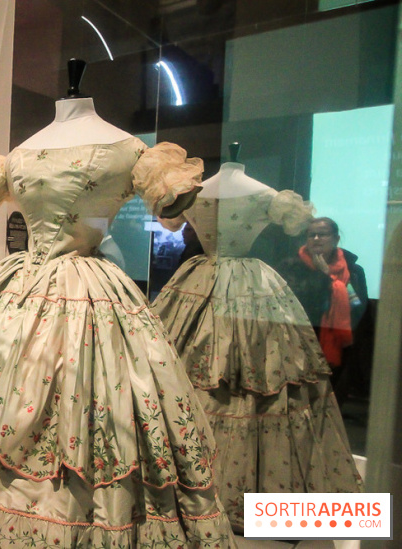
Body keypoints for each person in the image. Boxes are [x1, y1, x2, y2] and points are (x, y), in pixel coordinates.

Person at [0, 95, 237, 548]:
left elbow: (168, 202)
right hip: (25, 299)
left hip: (70, 299)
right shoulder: (16, 157)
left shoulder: (132, 152)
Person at [151, 164, 363, 530]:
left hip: (209, 283)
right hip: (229, 284)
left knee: (250, 378)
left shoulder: (264, 196)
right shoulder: (255, 194)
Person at [278, 217, 369, 405]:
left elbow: (360, 309)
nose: (317, 239)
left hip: (339, 348)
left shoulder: (353, 270)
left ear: (335, 239)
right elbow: (292, 306)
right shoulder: (290, 267)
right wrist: (323, 276)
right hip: (300, 345)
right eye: (312, 235)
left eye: (323, 234)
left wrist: (330, 277)